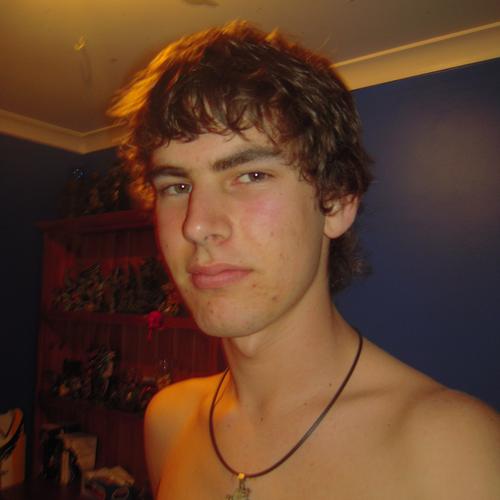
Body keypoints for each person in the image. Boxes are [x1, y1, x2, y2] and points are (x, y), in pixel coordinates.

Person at [111, 21, 500, 500]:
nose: (196, 225)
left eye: (251, 175)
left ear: (336, 202)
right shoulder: (169, 421)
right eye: (177, 186)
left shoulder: (454, 451)